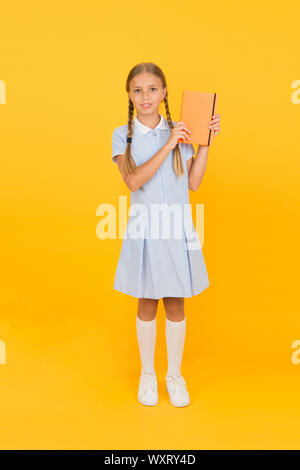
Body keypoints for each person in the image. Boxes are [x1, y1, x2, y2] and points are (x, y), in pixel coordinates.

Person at [111, 62, 221, 407]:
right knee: (146, 302)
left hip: (176, 229)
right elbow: (133, 180)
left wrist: (204, 143)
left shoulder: (180, 130)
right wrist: (169, 142)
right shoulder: (122, 134)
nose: (146, 96)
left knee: (175, 302)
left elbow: (193, 182)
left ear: (164, 92)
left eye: (153, 89)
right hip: (145, 230)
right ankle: (148, 374)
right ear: (129, 94)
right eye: (138, 90)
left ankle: (174, 375)